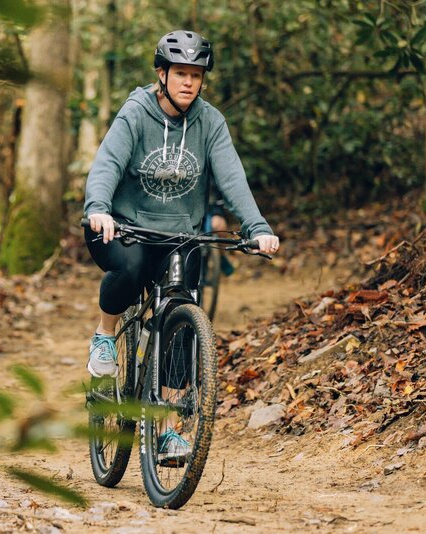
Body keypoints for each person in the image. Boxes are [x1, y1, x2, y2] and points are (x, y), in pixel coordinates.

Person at [83, 30, 280, 459]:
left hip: (179, 235)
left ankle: (169, 430)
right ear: (162, 74)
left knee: (179, 321)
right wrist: (98, 207)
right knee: (132, 271)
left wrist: (257, 226)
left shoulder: (210, 123)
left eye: (196, 75)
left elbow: (232, 180)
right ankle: (104, 334)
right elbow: (107, 164)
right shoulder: (136, 112)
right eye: (180, 74)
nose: (189, 82)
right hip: (122, 228)